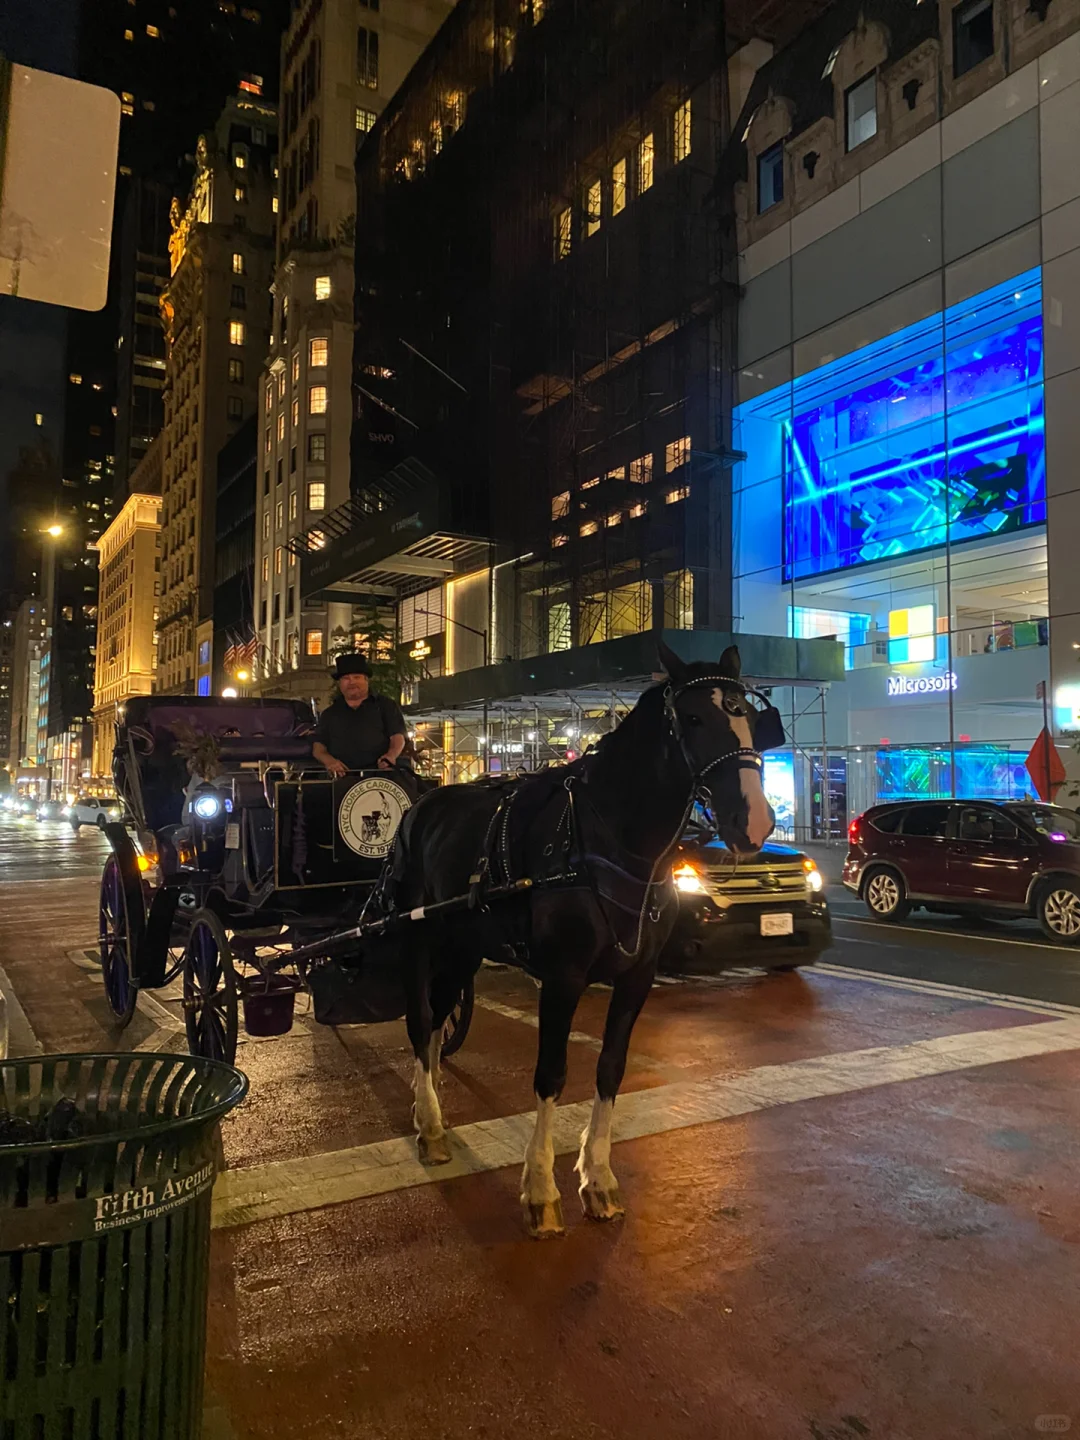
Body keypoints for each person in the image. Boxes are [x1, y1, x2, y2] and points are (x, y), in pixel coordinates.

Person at [312, 653, 407, 777]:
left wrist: (390, 756)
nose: (351, 682)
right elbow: (318, 747)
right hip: (341, 777)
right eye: (346, 678)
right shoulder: (329, 714)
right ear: (340, 683)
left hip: (380, 775)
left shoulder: (386, 706)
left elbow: (398, 737)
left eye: (357, 677)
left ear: (366, 680)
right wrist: (329, 761)